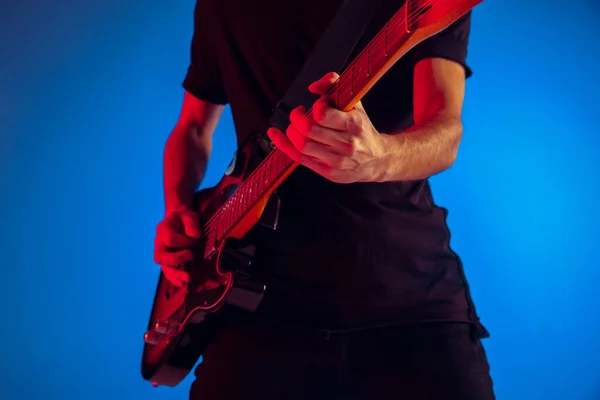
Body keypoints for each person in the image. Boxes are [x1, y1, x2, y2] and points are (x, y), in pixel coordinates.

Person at [153, 0, 495, 398]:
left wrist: (380, 158)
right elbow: (193, 128)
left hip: (406, 301)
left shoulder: (409, 6)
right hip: (256, 305)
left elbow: (445, 131)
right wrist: (178, 209)